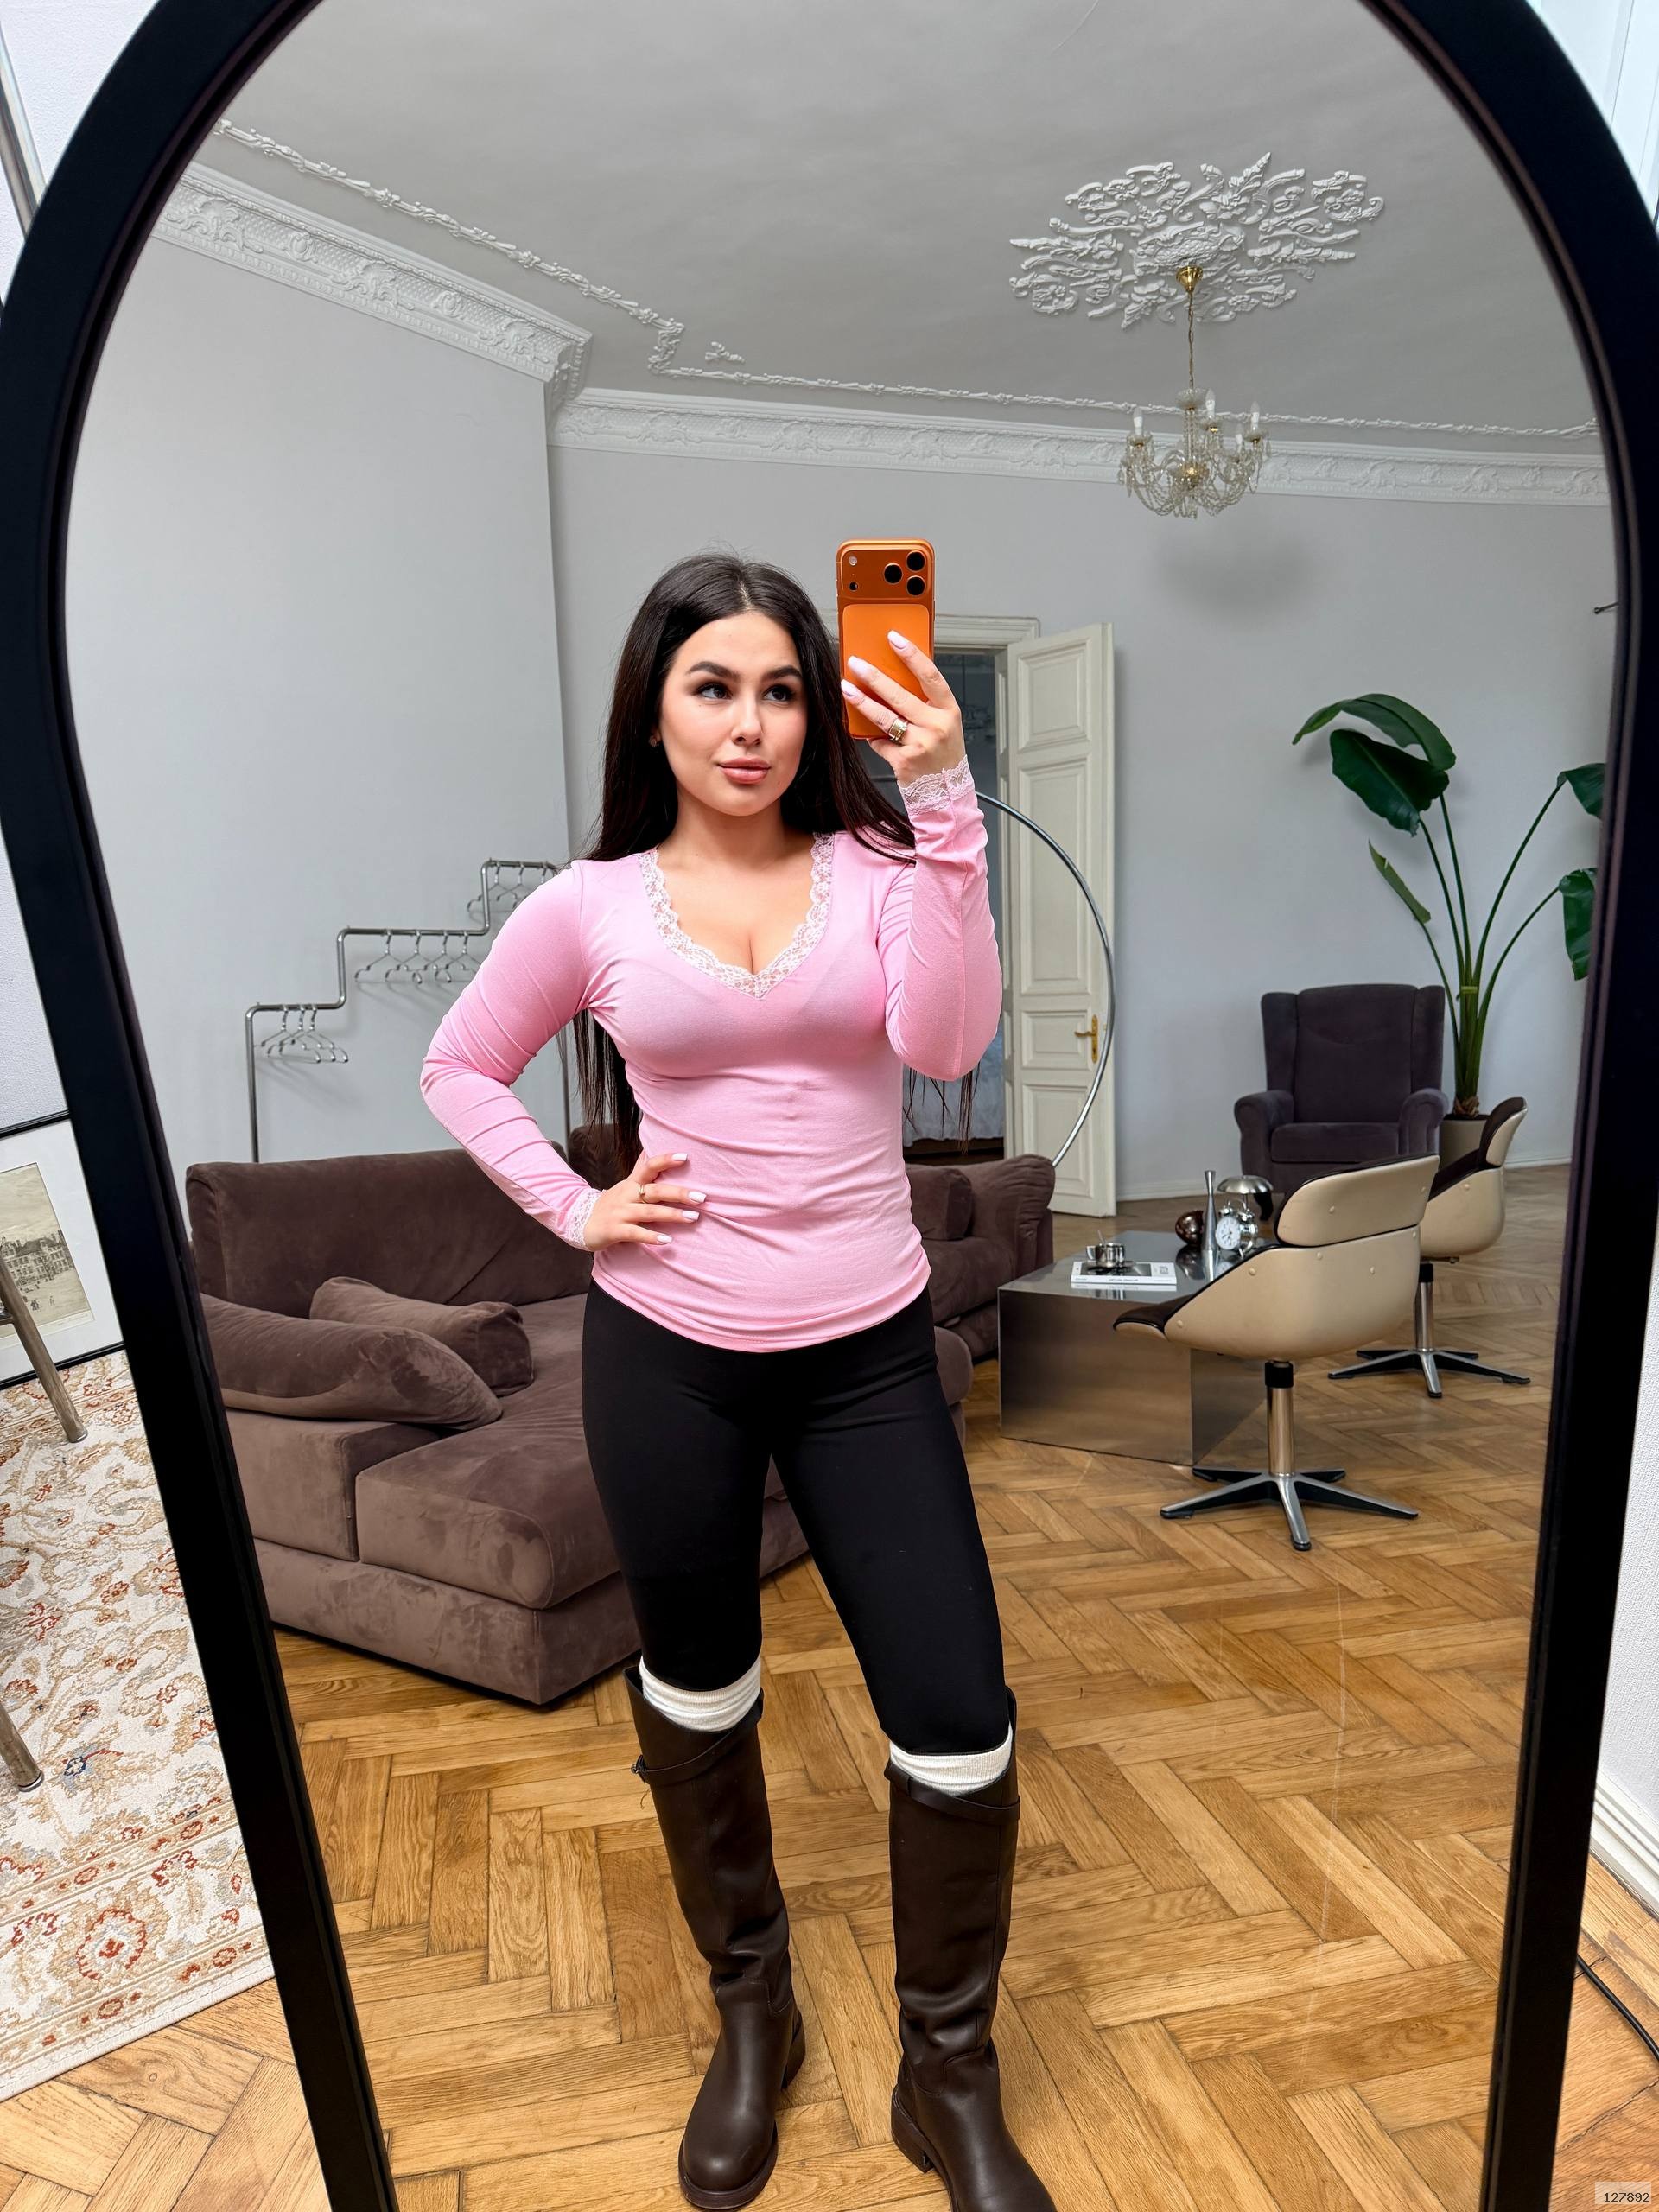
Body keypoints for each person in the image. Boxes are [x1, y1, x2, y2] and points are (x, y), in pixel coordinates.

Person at [419, 550, 1055, 2212]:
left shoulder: (882, 861)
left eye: (781, 688)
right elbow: (461, 1065)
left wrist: (948, 806)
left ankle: (948, 2073)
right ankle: (753, 2011)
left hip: (868, 1356)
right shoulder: (590, 906)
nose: (751, 723)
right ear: (656, 711)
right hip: (669, 1359)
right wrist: (576, 1205)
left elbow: (947, 1043)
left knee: (959, 1716)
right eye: (713, 688)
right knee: (698, 1688)